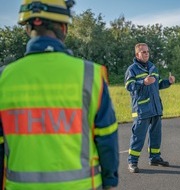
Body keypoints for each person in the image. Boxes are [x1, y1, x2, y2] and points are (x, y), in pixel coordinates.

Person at [0, 0, 119, 189]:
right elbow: (106, 136)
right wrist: (110, 180)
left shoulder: (3, 78)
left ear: (27, 29)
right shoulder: (91, 74)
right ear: (64, 28)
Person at [124, 43, 175, 173]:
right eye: (143, 52)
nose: (146, 53)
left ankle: (155, 158)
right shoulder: (132, 69)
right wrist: (143, 82)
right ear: (137, 55)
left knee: (156, 135)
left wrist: (168, 82)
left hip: (156, 108)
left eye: (147, 51)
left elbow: (157, 85)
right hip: (142, 109)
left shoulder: (153, 67)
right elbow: (129, 86)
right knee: (138, 137)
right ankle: (132, 162)